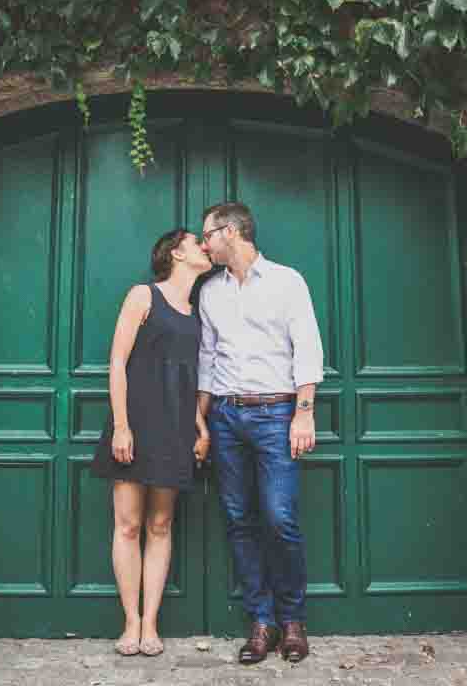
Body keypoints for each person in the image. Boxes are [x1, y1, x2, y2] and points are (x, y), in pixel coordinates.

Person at [196, 202, 323, 664]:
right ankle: (262, 623)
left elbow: (307, 348)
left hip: (276, 414)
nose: (204, 245)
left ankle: (293, 622)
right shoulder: (211, 292)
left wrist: (303, 413)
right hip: (225, 417)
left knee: (280, 517)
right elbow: (207, 360)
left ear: (230, 232)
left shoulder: (287, 282)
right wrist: (199, 421)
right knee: (238, 519)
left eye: (208, 235)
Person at [89, 229, 213, 657]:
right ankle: (130, 622)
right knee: (127, 525)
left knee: (160, 525)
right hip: (136, 422)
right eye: (197, 242)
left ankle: (150, 624)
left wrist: (200, 427)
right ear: (176, 252)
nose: (205, 247)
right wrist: (121, 426)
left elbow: (189, 375)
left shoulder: (196, 311)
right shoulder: (143, 295)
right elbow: (117, 362)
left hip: (176, 427)